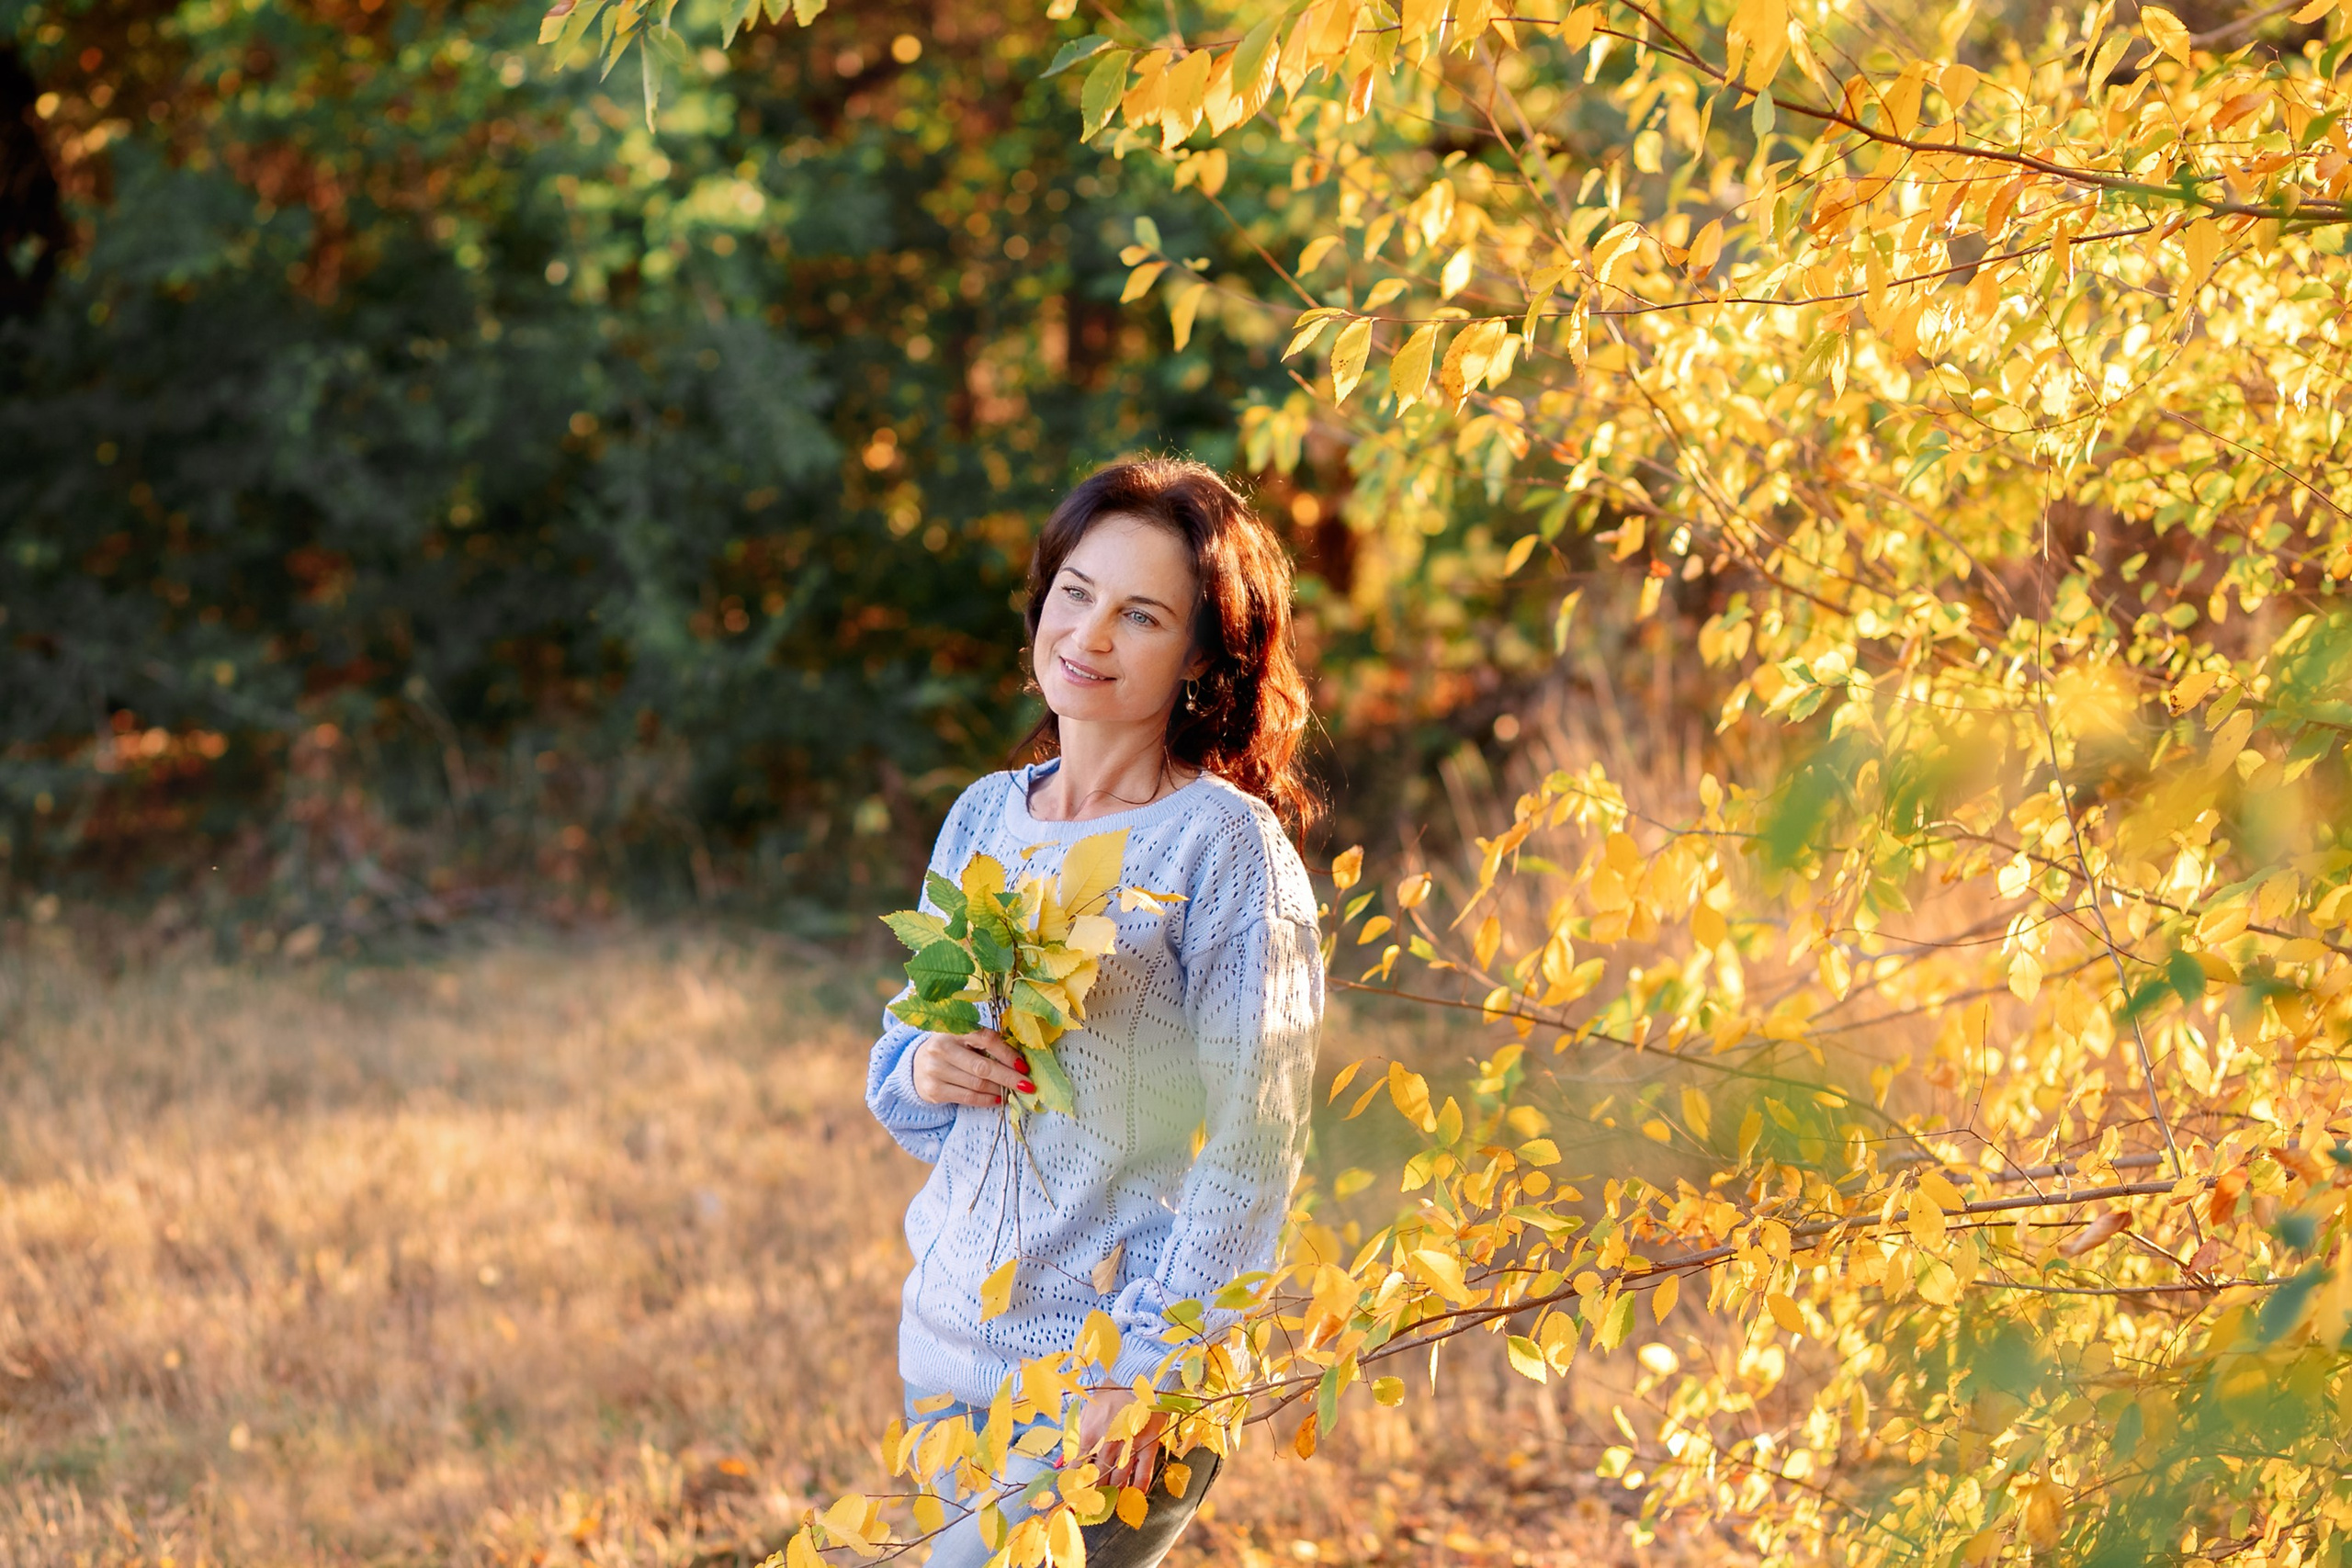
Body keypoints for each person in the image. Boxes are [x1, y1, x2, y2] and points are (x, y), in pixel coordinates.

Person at [865, 457, 1327, 1568]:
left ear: (1202, 654)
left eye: (1141, 614)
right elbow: (907, 1065)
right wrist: (927, 1063)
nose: (1089, 633)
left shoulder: (1222, 849)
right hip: (948, 1354)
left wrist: (1151, 1367)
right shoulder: (985, 816)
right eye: (1075, 592)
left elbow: (1256, 1141)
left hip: (1105, 1385)